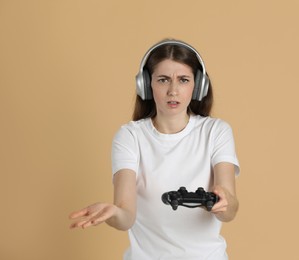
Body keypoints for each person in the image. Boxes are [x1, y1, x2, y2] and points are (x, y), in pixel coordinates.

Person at [69, 39, 240, 260]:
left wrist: (222, 203)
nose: (173, 90)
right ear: (146, 85)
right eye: (163, 80)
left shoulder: (216, 131)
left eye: (183, 80)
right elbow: (126, 215)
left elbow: (231, 208)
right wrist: (112, 213)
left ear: (197, 86)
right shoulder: (130, 136)